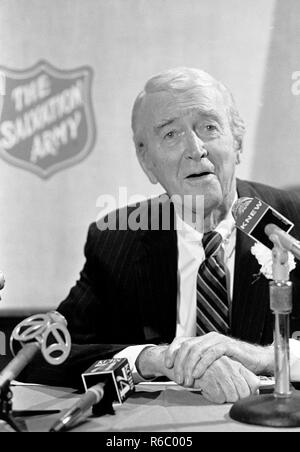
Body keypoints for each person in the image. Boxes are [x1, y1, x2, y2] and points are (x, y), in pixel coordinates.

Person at [20, 67, 300, 404]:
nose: (195, 149)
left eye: (209, 127)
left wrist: (266, 357)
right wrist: (156, 359)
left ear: (237, 141)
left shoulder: (291, 220)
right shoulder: (117, 240)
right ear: (146, 161)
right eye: (170, 135)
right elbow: (40, 357)